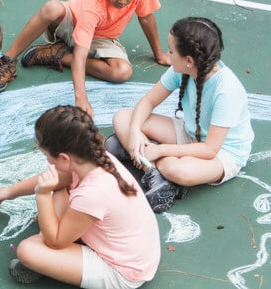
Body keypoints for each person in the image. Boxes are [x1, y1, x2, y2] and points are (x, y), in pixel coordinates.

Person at [0, 106, 160, 289]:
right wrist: (10, 192)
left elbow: (56, 242)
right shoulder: (93, 159)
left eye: (47, 156)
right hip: (133, 249)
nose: (48, 163)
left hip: (121, 270)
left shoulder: (93, 193)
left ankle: (48, 262)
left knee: (27, 251)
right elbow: (56, 178)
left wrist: (42, 195)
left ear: (64, 158)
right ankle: (56, 253)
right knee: (59, 187)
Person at [0, 0, 170, 117]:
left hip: (102, 37)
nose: (122, 1)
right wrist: (81, 98)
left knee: (122, 72)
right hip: (72, 22)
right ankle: (7, 60)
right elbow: (80, 55)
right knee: (51, 8)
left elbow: (146, 17)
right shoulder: (93, 5)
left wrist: (159, 54)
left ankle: (56, 54)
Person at [107, 17, 254, 213]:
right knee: (123, 117)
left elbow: (210, 149)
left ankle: (146, 158)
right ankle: (153, 172)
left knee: (179, 171)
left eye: (171, 51)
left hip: (223, 153)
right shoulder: (185, 69)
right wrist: (134, 132)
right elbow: (148, 102)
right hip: (191, 133)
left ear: (189, 61)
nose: (168, 54)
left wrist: (160, 150)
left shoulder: (226, 90)